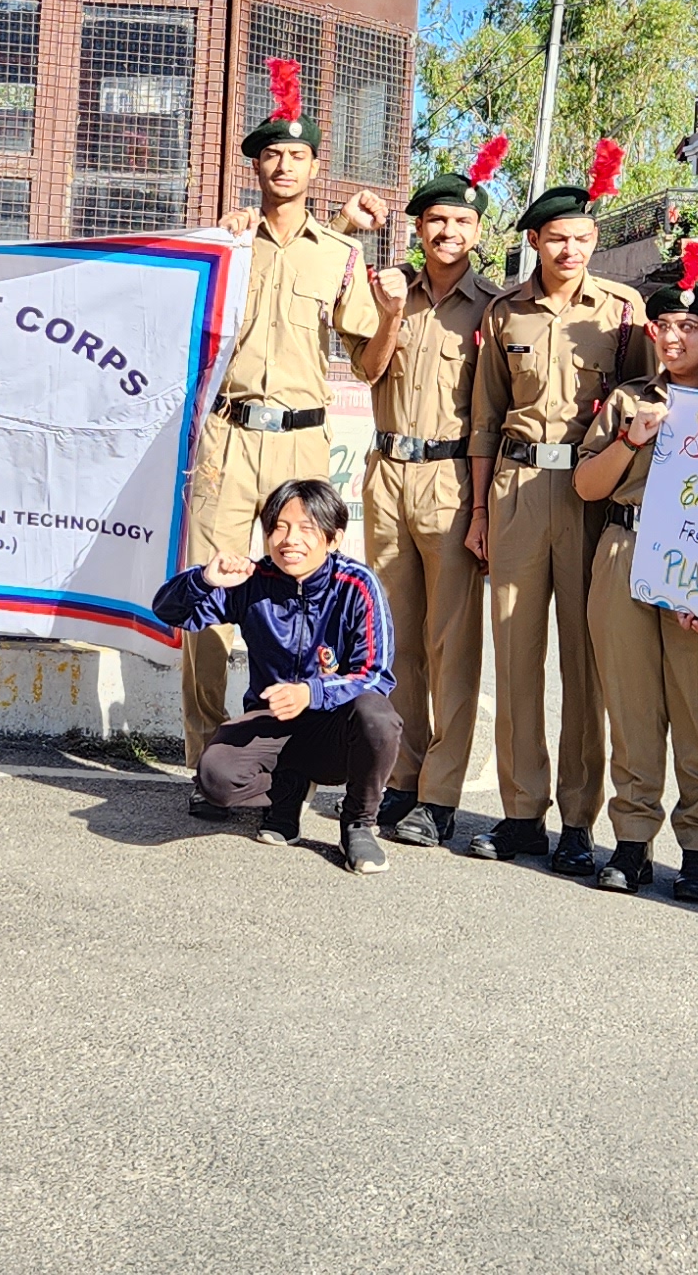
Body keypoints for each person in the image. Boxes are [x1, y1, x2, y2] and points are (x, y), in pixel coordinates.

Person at [180, 57, 390, 814]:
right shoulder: (226, 243)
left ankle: (288, 756)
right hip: (230, 438)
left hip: (300, 447)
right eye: (270, 153)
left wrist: (389, 307)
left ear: (312, 167)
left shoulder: (339, 256)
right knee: (211, 594)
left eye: (297, 155)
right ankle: (207, 755)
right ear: (256, 165)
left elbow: (367, 352)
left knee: (303, 598)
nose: (283, 164)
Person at [465, 141, 648, 871]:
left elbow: (646, 408)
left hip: (589, 494)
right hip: (514, 489)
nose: (570, 249)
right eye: (556, 239)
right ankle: (519, 815)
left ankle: (578, 821)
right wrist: (480, 513)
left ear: (594, 241)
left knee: (585, 662)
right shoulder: (505, 312)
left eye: (582, 238)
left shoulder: (625, 312)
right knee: (515, 657)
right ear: (534, 242)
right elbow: (484, 418)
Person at [569, 245, 698, 901]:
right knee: (631, 708)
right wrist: (631, 438)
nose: (672, 337)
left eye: (689, 328)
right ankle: (633, 840)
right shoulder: (627, 401)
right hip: (625, 549)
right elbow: (588, 487)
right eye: (664, 325)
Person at [351, 136, 501, 851]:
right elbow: (368, 375)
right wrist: (386, 313)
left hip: (451, 478)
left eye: (462, 223)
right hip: (386, 476)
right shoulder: (390, 292)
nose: (448, 234)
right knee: (398, 639)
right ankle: (402, 778)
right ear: (418, 228)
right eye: (436, 221)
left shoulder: (492, 308)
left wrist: (482, 508)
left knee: (452, 644)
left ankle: (440, 795)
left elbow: (493, 412)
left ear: (479, 232)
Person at [154, 478, 398, 874]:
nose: (290, 540)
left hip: (336, 729)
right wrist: (204, 579)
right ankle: (288, 789)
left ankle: (358, 823)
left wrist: (312, 692)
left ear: (333, 539)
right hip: (274, 724)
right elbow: (168, 612)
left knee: (379, 718)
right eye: (279, 527)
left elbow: (376, 674)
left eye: (306, 529)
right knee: (216, 778)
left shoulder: (358, 584)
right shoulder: (253, 580)